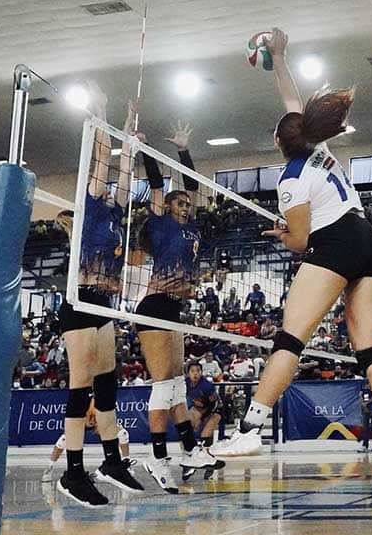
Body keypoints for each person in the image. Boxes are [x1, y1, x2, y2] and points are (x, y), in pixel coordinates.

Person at [210, 28, 372, 477]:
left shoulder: (291, 179)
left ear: (281, 144)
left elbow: (302, 242)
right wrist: (280, 56)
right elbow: (293, 103)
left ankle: (250, 429)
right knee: (370, 348)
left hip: (335, 241)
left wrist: (287, 237)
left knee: (290, 338)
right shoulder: (319, 146)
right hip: (367, 239)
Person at [53, 87, 143, 506]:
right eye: (102, 184)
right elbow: (103, 161)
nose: (108, 187)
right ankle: (72, 472)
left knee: (108, 383)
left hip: (102, 302)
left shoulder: (114, 213)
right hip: (79, 300)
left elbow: (123, 173)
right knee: (81, 385)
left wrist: (131, 136)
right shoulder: (89, 205)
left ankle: (110, 461)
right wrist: (104, 114)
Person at [132, 118, 220, 492]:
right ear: (168, 208)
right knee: (163, 386)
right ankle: (157, 458)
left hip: (175, 310)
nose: (186, 205)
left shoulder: (191, 227)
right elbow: (156, 185)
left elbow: (195, 187)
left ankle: (189, 449)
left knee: (179, 386)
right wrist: (144, 150)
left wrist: (184, 149)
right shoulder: (161, 222)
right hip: (153, 305)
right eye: (179, 202)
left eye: (187, 203)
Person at [42, 400, 131, 483]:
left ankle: (126, 463)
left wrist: (101, 426)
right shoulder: (83, 401)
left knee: (123, 433)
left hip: (99, 421)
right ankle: (50, 467)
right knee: (63, 441)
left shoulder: (106, 401)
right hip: (80, 421)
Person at [185, 362, 222, 479]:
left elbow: (214, 404)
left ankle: (209, 465)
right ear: (188, 373)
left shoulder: (207, 386)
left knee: (205, 435)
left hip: (215, 409)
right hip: (199, 408)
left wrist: (202, 418)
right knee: (187, 427)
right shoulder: (185, 384)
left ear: (201, 373)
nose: (195, 374)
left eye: (198, 371)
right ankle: (191, 460)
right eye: (192, 371)